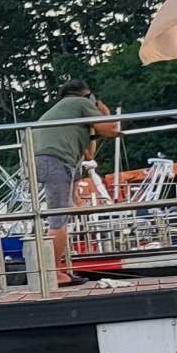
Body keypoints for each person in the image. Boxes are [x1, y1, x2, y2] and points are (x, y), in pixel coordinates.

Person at [28, 80, 119, 284]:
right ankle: (52, 275)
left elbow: (88, 154)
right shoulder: (81, 103)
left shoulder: (64, 111)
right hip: (55, 161)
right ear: (87, 95)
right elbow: (111, 130)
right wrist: (105, 113)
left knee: (61, 215)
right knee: (58, 219)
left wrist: (91, 125)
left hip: (43, 161)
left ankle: (56, 272)